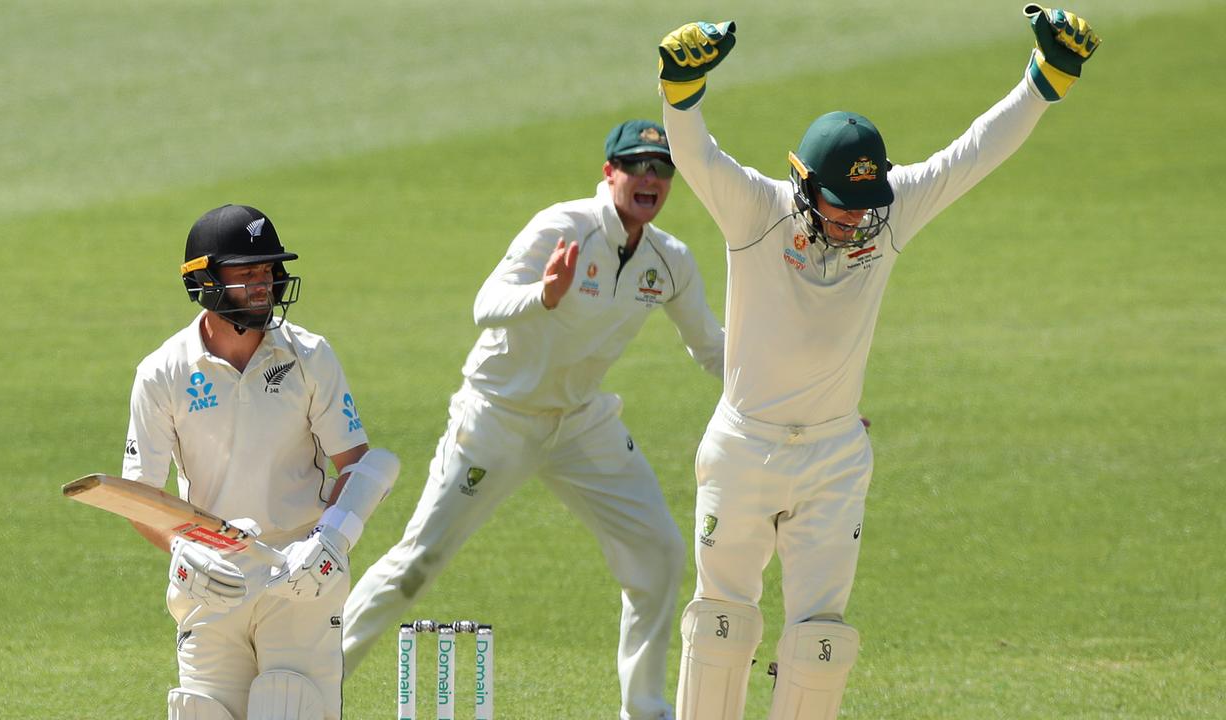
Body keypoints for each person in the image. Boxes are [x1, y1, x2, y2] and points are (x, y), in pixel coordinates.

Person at [654, 7, 1100, 720]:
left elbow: (972, 153)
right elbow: (696, 152)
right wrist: (681, 84)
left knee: (820, 643)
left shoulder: (884, 219)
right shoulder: (756, 212)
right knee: (720, 623)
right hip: (744, 446)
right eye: (841, 204)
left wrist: (1046, 79)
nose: (856, 219)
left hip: (834, 455)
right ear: (803, 184)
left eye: (866, 204)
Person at [342, 120, 725, 720]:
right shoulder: (562, 226)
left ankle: (646, 709)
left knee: (659, 552)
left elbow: (712, 348)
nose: (650, 178)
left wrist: (804, 404)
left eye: (662, 167)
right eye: (637, 165)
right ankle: (314, 686)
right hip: (498, 416)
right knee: (418, 563)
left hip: (580, 423)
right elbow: (485, 303)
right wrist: (543, 296)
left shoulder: (668, 260)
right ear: (610, 172)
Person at [122, 203, 401, 720]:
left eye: (268, 272)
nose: (264, 285)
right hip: (211, 581)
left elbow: (358, 465)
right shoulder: (162, 373)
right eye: (247, 273)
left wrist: (332, 542)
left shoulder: (310, 355)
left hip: (301, 578)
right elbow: (142, 499)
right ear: (205, 281)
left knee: (292, 709)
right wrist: (183, 552)